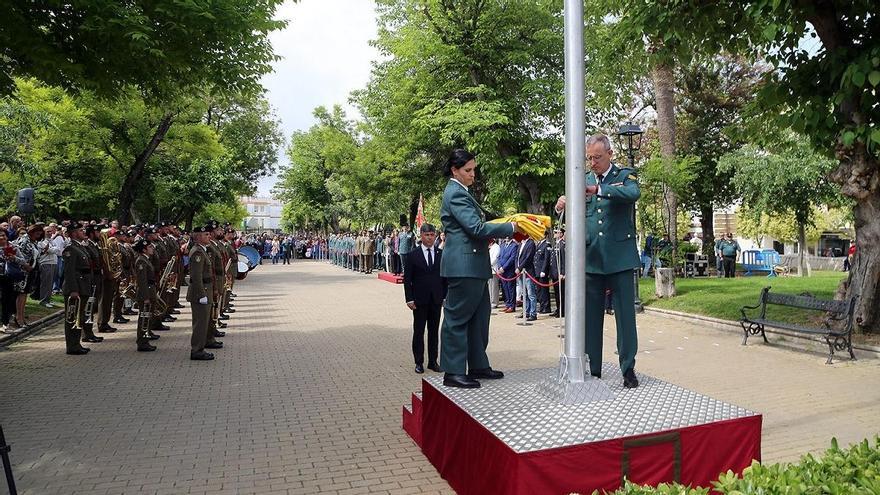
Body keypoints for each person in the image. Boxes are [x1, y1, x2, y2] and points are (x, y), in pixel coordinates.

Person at [555, 134, 641, 388]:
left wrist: (598, 190)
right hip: (591, 258)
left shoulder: (625, 175)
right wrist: (561, 206)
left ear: (610, 154)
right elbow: (571, 212)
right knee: (590, 318)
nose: (592, 162)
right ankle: (593, 369)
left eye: (597, 157)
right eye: (589, 158)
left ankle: (628, 368)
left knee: (625, 317)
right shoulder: (582, 179)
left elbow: (632, 193)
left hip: (620, 258)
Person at [438, 149, 517, 389]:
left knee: (479, 319)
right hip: (464, 265)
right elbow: (476, 228)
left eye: (474, 169)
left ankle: (478, 364)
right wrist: (510, 227)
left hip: (473, 264)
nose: (473, 174)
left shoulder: (462, 192)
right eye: (468, 170)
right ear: (455, 170)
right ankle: (453, 371)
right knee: (458, 318)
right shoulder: (455, 194)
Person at [404, 223, 447, 374]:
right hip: (419, 300)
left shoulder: (441, 254)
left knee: (434, 331)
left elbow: (444, 278)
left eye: (432, 235)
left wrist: (444, 296)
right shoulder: (412, 255)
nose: (429, 238)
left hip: (436, 299)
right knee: (419, 331)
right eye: (426, 235)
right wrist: (409, 298)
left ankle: (433, 361)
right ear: (421, 236)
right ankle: (419, 362)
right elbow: (407, 279)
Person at [59, 223, 94, 353]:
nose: (83, 231)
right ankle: (72, 346)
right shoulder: (70, 249)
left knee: (79, 317)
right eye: (80, 230)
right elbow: (69, 271)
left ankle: (76, 343)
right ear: (73, 233)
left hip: (83, 286)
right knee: (72, 317)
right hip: (75, 287)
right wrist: (74, 289)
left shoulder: (80, 247)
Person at [187, 225, 215, 361]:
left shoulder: (202, 250)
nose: (209, 236)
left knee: (204, 323)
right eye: (205, 235)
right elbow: (196, 276)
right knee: (200, 324)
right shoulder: (197, 252)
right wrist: (202, 294)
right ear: (198, 237)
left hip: (206, 290)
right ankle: (197, 350)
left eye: (209, 234)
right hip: (200, 293)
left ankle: (200, 348)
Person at [13, 223, 42, 328]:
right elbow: (18, 254)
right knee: (20, 294)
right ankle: (18, 318)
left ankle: (21, 317)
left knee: (24, 294)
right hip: (22, 271)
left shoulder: (34, 242)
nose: (38, 233)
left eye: (40, 231)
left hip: (30, 271)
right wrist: (25, 265)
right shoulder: (24, 240)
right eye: (36, 231)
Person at [133, 239, 158, 352]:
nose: (152, 248)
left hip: (150, 290)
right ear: (144, 250)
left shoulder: (145, 259)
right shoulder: (141, 261)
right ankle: (142, 342)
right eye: (149, 247)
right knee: (144, 317)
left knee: (147, 317)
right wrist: (146, 297)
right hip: (145, 292)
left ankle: (145, 339)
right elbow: (142, 281)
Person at [0, 231, 26, 334]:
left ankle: (5, 324)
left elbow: (23, 261)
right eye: (0, 235)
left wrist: (13, 257)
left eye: (4, 235)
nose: (2, 237)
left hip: (9, 277)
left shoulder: (13, 247)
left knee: (7, 300)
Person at [36, 224, 63, 308]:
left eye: (51, 231)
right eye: (48, 231)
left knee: (50, 283)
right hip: (46, 263)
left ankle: (48, 299)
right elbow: (50, 250)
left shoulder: (52, 240)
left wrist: (52, 249)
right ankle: (43, 300)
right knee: (45, 283)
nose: (50, 233)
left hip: (53, 262)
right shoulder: (41, 241)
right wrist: (52, 249)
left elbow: (58, 250)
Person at [515, 237, 537, 321]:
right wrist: (516, 267)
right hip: (520, 273)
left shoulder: (531, 243)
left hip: (528, 272)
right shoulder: (521, 243)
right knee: (524, 294)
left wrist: (519, 268)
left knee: (531, 294)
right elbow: (517, 257)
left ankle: (533, 313)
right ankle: (526, 311)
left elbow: (528, 258)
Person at [497, 238, 519, 313]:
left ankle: (512, 306)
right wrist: (500, 267)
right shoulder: (502, 245)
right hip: (502, 271)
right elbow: (499, 257)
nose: (506, 237)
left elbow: (512, 258)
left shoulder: (514, 245)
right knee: (505, 288)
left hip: (509, 271)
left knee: (511, 288)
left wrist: (504, 267)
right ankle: (507, 304)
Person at [488, 239, 501, 309]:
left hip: (494, 269)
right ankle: (490, 300)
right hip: (489, 269)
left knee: (494, 287)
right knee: (490, 286)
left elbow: (495, 258)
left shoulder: (496, 247)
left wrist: (489, 264)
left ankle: (494, 302)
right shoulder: (490, 247)